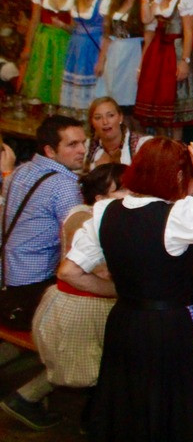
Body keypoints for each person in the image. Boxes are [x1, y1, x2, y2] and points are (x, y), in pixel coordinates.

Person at [59, 139, 193, 442]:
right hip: (169, 327)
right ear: (177, 176)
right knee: (171, 410)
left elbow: (69, 272)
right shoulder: (177, 215)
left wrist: (120, 291)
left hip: (125, 321)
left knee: (129, 406)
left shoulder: (104, 211)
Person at [8, 164, 126, 432]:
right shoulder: (87, 221)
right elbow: (102, 272)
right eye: (122, 189)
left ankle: (29, 400)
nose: (131, 194)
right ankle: (94, 422)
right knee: (95, 366)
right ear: (100, 198)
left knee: (83, 364)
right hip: (81, 307)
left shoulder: (88, 214)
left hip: (71, 303)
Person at [0, 116, 84, 332]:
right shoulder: (64, 186)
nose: (82, 150)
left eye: (83, 142)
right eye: (72, 145)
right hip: (35, 288)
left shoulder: (20, 171)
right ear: (50, 151)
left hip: (8, 276)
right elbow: (74, 243)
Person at [133, 0, 193, 139]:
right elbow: (146, 19)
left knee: (174, 109)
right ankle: (161, 148)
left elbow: (188, 33)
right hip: (158, 54)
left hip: (175, 53)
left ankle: (175, 150)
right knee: (158, 112)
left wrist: (184, 61)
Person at [21, 0, 75, 105]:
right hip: (43, 41)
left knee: (59, 76)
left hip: (64, 42)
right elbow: (34, 21)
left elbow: (75, 25)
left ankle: (58, 108)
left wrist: (63, 26)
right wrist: (27, 46)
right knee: (40, 76)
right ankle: (38, 109)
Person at [60, 0, 109, 110]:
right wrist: (62, 26)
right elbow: (73, 28)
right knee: (73, 90)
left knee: (93, 91)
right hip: (75, 50)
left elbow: (107, 34)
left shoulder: (103, 3)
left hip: (92, 51)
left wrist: (101, 60)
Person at [98, 0, 144, 110]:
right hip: (115, 51)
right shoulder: (116, 4)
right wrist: (101, 60)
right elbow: (108, 35)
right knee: (111, 93)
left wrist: (141, 67)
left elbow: (148, 39)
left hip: (133, 52)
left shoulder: (143, 6)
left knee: (128, 97)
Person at [86, 96, 147, 169]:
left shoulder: (141, 145)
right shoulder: (87, 147)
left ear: (120, 117)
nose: (105, 122)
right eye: (98, 117)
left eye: (110, 116)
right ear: (92, 122)